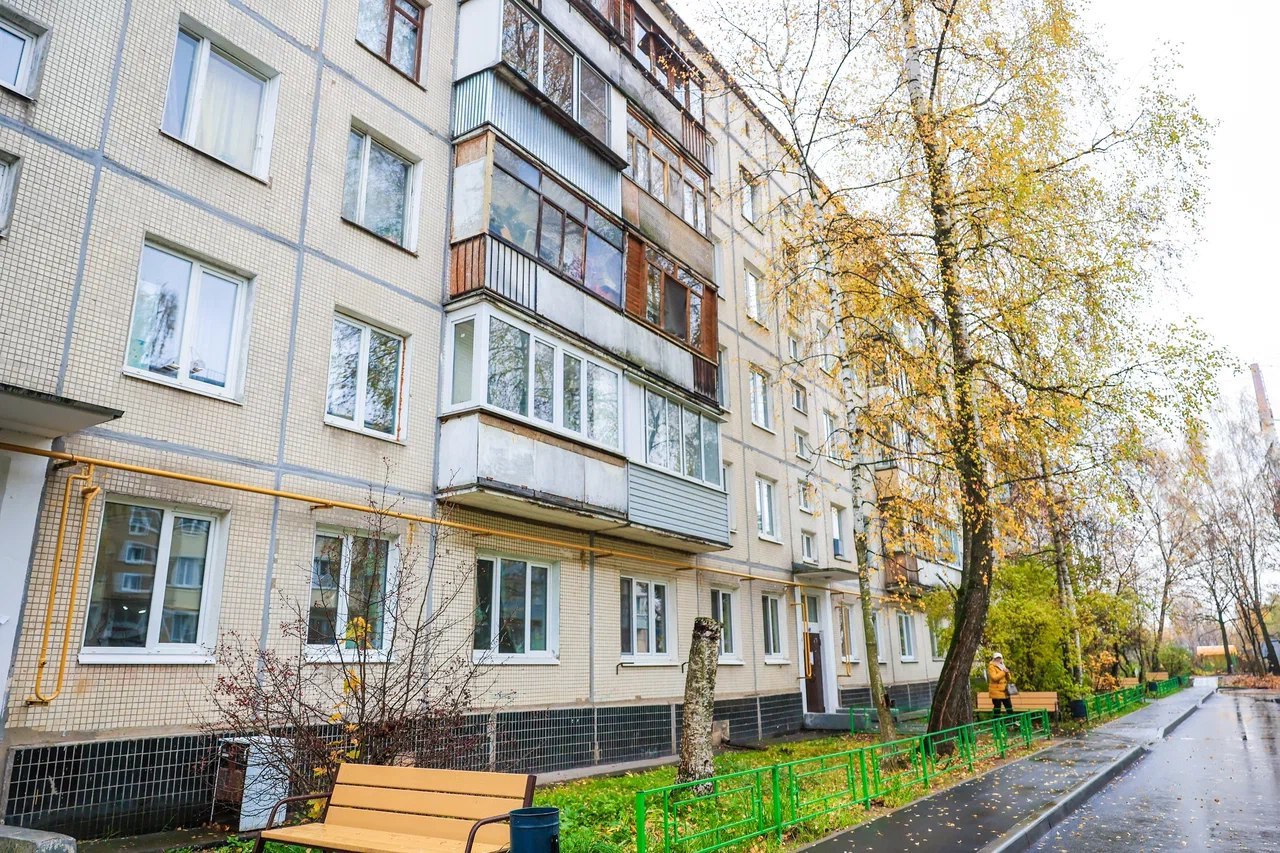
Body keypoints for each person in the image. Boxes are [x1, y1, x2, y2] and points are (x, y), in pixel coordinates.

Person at [987, 652, 1013, 717]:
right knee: (997, 708)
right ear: (994, 659)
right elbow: (994, 678)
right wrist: (1003, 672)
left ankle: (1012, 721)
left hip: (1004, 691)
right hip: (996, 691)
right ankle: (996, 722)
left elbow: (1009, 678)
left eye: (1000, 658)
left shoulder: (1003, 665)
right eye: (997, 658)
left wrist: (1007, 673)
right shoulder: (991, 667)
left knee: (1009, 707)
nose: (998, 660)